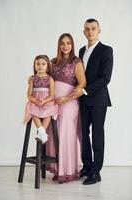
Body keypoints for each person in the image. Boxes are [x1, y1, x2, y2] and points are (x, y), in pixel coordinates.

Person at [70, 19, 113, 185]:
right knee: (83, 135)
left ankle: (96, 172)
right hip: (82, 100)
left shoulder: (106, 50)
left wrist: (85, 90)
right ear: (84, 32)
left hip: (98, 100)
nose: (90, 31)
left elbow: (105, 78)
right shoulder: (81, 51)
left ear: (99, 30)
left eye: (93, 28)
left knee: (97, 135)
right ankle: (87, 167)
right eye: (87, 29)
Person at [46, 33, 86, 183]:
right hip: (54, 103)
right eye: (62, 43)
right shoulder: (53, 62)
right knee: (53, 133)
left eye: (68, 43)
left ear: (72, 44)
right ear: (58, 45)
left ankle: (67, 171)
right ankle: (57, 168)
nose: (65, 46)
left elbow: (82, 84)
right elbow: (45, 79)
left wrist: (66, 99)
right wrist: (32, 79)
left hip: (69, 103)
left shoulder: (77, 62)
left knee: (65, 134)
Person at [24, 55, 58, 143]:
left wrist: (44, 101)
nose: (40, 66)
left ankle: (41, 133)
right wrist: (34, 100)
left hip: (47, 102)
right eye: (37, 64)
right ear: (35, 66)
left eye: (43, 64)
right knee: (32, 110)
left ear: (47, 66)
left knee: (49, 112)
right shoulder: (33, 79)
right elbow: (29, 95)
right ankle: (42, 131)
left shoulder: (50, 79)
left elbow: (52, 95)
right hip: (36, 103)